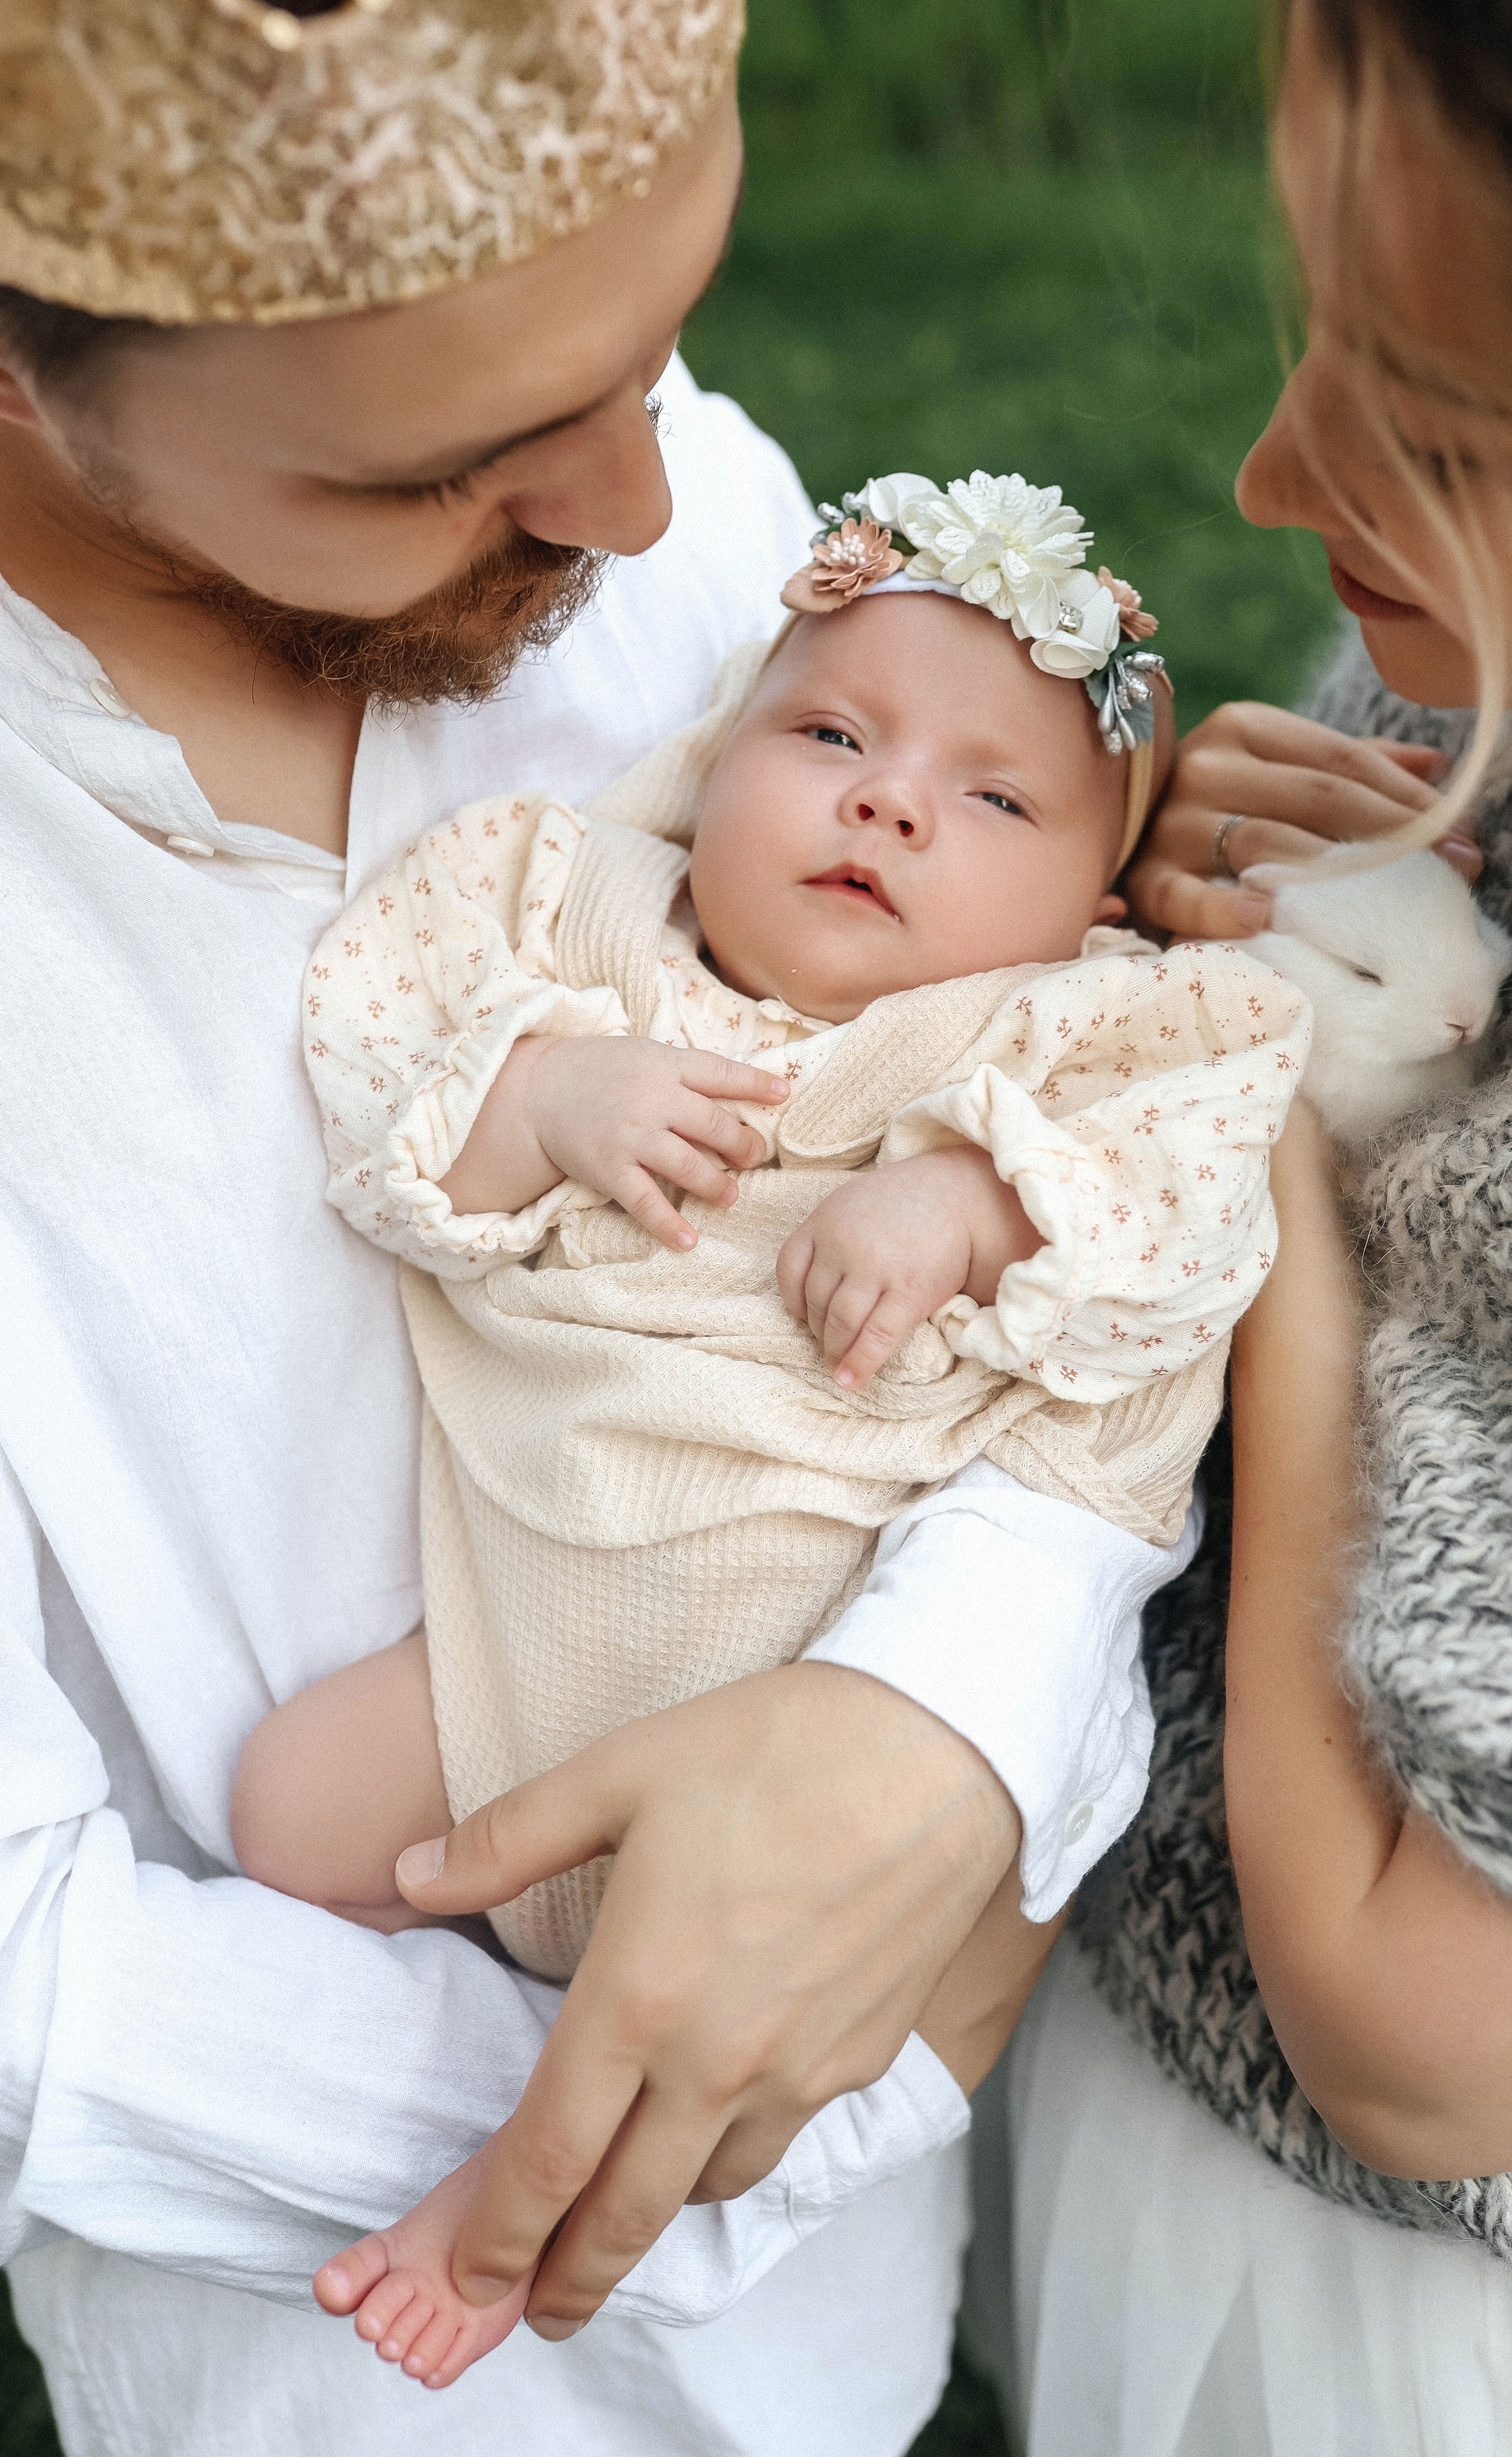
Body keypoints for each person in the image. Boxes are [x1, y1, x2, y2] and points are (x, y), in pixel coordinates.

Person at [0, 11, 1198, 2453]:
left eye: (658, 348)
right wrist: (860, 2053)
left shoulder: (693, 548)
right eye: (447, 461)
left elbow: (1051, 1173)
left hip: (855, 2320)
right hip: (343, 2369)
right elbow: (43, 1988)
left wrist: (953, 1723)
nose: (650, 512)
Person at [226, 486, 1307, 2390]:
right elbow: (389, 1068)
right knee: (287, 1812)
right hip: (521, 1656)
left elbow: (1186, 1212)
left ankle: (512, 2197)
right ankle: (461, 2116)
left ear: (1096, 909)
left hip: (820, 1665)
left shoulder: (1061, 1037)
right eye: (830, 734)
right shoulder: (580, 918)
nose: (890, 805)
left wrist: (973, 1201)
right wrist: (551, 1095)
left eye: (996, 798)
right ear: (714, 752)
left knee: (825, 2032)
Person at [974, 0, 1512, 2448]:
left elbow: (1420, 2048)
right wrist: (1196, 908)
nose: (1271, 475)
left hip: (1443, 2322)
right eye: (1327, 326)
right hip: (1143, 2022)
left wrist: (1273, 1226)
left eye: (1433, 430)